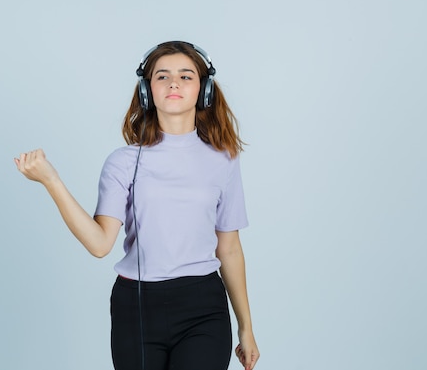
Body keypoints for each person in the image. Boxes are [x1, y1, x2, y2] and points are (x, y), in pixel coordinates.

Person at [15, 41, 260, 370]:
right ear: (147, 91)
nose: (174, 83)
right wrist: (52, 181)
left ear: (204, 90)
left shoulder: (223, 160)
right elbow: (100, 244)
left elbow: (229, 249)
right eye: (162, 76)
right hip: (137, 305)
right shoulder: (122, 162)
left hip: (203, 304)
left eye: (186, 76)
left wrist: (246, 326)